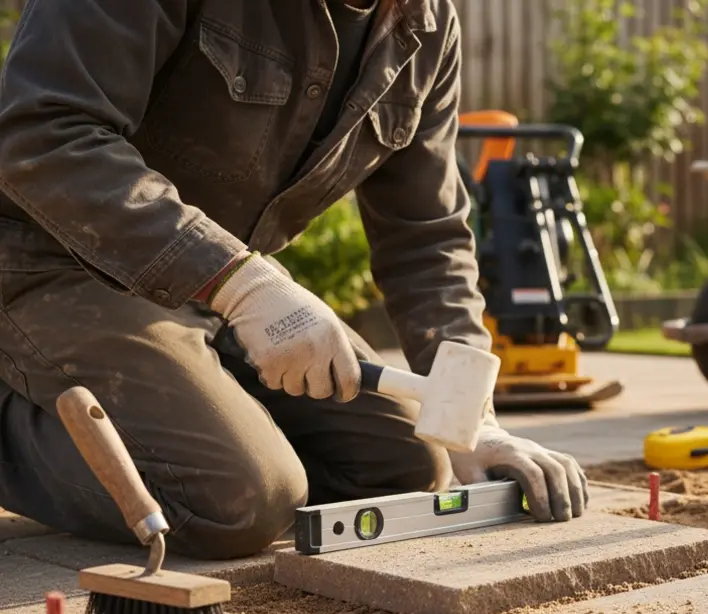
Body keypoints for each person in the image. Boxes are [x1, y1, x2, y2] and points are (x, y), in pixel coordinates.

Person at [0, 0, 588, 560]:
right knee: (240, 501)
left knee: (404, 468)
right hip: (47, 257)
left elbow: (426, 234)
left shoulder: (426, 29)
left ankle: (195, 420)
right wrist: (239, 282)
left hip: (210, 285)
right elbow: (42, 133)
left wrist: (473, 418)